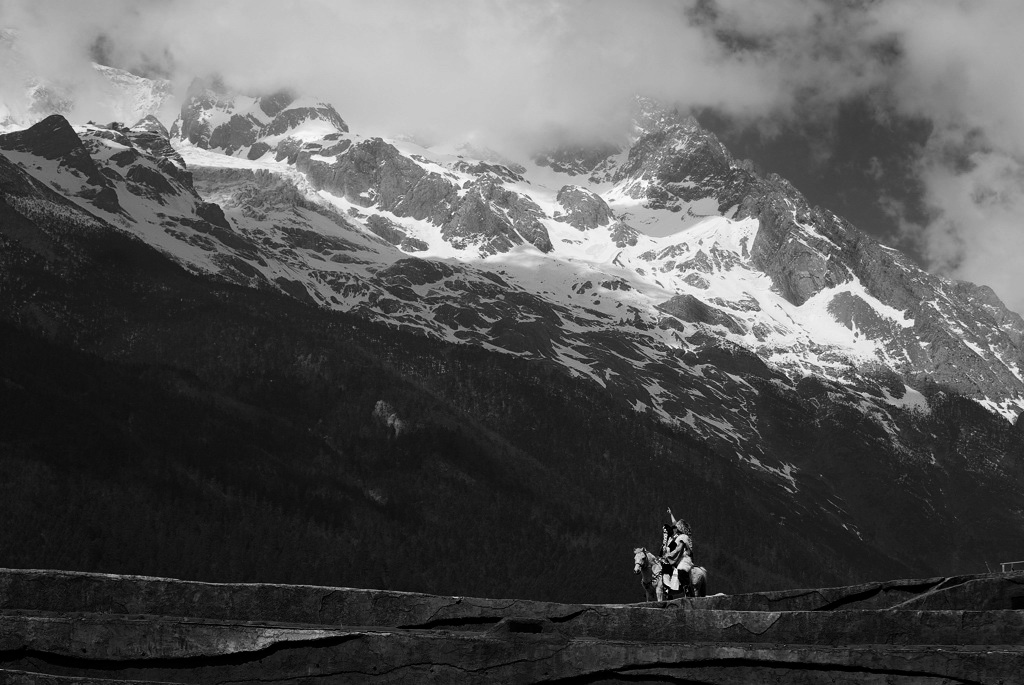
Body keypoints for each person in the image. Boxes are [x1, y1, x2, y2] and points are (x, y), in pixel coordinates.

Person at [665, 507, 695, 593]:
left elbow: (679, 549)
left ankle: (686, 588)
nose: (675, 528)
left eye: (677, 528)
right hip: (680, 558)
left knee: (681, 569)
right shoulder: (681, 536)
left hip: (685, 558)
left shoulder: (683, 537)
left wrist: (669, 555)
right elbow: (675, 523)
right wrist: (671, 514)